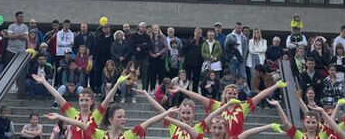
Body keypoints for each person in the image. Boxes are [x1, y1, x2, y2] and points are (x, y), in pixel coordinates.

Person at [174, 73, 283, 137]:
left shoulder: (243, 106)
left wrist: (276, 86)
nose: (232, 95)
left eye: (234, 94)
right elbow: (199, 97)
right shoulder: (218, 105)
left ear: (237, 95)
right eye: (229, 93)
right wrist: (182, 90)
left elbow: (259, 96)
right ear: (225, 94)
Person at [33, 71, 125, 139]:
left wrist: (117, 84)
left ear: (92, 101)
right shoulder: (73, 114)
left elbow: (107, 99)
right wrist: (44, 82)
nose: (84, 103)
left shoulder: (95, 115)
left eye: (86, 100)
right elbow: (58, 96)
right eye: (81, 100)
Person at [44, 105, 178, 139]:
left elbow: (149, 122)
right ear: (111, 120)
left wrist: (167, 112)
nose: (123, 119)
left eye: (124, 116)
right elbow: (81, 124)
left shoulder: (127, 136)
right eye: (120, 117)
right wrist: (59, 116)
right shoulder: (100, 135)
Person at [5, 11, 29, 92]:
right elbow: (10, 36)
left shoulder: (25, 26)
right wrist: (20, 35)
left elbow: (25, 37)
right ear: (16, 17)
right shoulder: (11, 26)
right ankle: (7, 87)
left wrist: (16, 35)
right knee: (9, 70)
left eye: (23, 17)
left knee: (20, 71)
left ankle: (18, 86)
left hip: (21, 52)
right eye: (20, 17)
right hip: (11, 51)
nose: (22, 18)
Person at [130, 22, 151, 92]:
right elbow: (132, 45)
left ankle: (144, 90)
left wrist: (140, 46)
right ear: (139, 27)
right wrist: (142, 45)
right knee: (132, 73)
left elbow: (148, 46)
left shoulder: (147, 37)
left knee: (144, 74)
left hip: (144, 58)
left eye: (144, 27)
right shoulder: (133, 36)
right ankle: (131, 90)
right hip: (135, 57)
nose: (143, 28)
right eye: (142, 27)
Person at [92, 23, 113, 94]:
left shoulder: (112, 38)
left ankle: (109, 90)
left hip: (109, 60)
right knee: (98, 74)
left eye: (107, 28)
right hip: (99, 60)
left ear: (109, 29)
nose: (106, 30)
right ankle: (98, 90)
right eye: (104, 29)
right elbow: (95, 48)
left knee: (108, 75)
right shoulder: (99, 37)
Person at [148, 24, 168, 92]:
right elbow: (149, 47)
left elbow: (166, 47)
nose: (155, 29)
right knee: (152, 74)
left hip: (161, 58)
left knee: (161, 74)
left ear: (158, 29)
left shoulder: (163, 37)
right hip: (153, 57)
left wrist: (159, 53)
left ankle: (161, 89)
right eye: (153, 28)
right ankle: (152, 89)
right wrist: (151, 54)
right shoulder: (150, 37)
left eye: (156, 28)